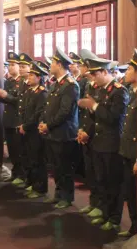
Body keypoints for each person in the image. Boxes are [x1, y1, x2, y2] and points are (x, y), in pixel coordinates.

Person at [78, 56, 128, 231]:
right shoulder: (100, 90)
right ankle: (104, 212)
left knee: (113, 183)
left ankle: (114, 219)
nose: (92, 78)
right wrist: (86, 128)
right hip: (98, 142)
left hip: (112, 144)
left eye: (95, 74)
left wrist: (95, 106)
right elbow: (96, 119)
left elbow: (113, 117)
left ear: (105, 72)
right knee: (102, 181)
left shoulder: (119, 91)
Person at [39, 48, 79, 209]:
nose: (50, 66)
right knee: (56, 167)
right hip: (53, 132)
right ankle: (58, 194)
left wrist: (48, 125)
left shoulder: (70, 85)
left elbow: (65, 111)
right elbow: (48, 107)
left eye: (52, 63)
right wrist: (43, 123)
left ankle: (66, 197)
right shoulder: (57, 84)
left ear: (60, 65)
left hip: (64, 133)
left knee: (64, 167)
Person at [0, 52, 28, 186]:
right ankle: (15, 173)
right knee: (12, 150)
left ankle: (22, 175)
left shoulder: (23, 82)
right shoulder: (9, 81)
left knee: (19, 150)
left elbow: (19, 101)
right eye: (9, 65)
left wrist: (6, 96)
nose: (11, 67)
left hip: (17, 120)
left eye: (13, 65)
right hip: (8, 119)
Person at [76, 49, 101, 218]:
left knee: (100, 175)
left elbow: (99, 117)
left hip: (96, 136)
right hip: (86, 135)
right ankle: (93, 203)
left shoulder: (104, 89)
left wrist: (88, 132)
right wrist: (81, 129)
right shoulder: (90, 86)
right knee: (90, 172)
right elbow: (85, 114)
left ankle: (101, 206)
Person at [116, 49, 137, 237]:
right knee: (129, 192)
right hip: (127, 149)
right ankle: (134, 227)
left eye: (130, 69)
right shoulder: (131, 92)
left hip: (136, 152)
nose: (126, 72)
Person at [21, 61, 49, 199]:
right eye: (30, 74)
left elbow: (38, 114)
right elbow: (24, 111)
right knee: (30, 158)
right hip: (27, 130)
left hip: (35, 132)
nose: (29, 77)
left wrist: (26, 126)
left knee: (38, 160)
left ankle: (40, 188)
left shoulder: (42, 93)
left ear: (39, 78)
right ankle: (32, 183)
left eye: (32, 75)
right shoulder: (29, 91)